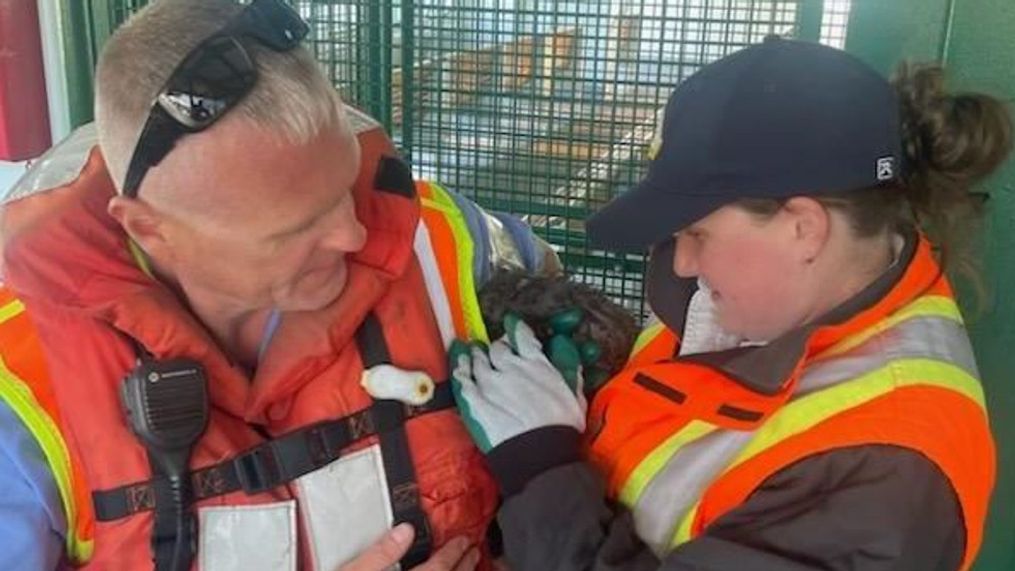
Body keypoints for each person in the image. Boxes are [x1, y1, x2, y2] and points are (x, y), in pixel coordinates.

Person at [0, 0, 559, 569]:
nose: (352, 233)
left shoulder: (446, 239)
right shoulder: (20, 389)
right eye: (296, 227)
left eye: (344, 186)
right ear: (150, 229)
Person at [450, 37, 1012, 570]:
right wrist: (597, 376)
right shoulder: (771, 299)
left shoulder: (887, 475)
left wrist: (541, 465)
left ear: (803, 228)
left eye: (698, 233)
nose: (682, 263)